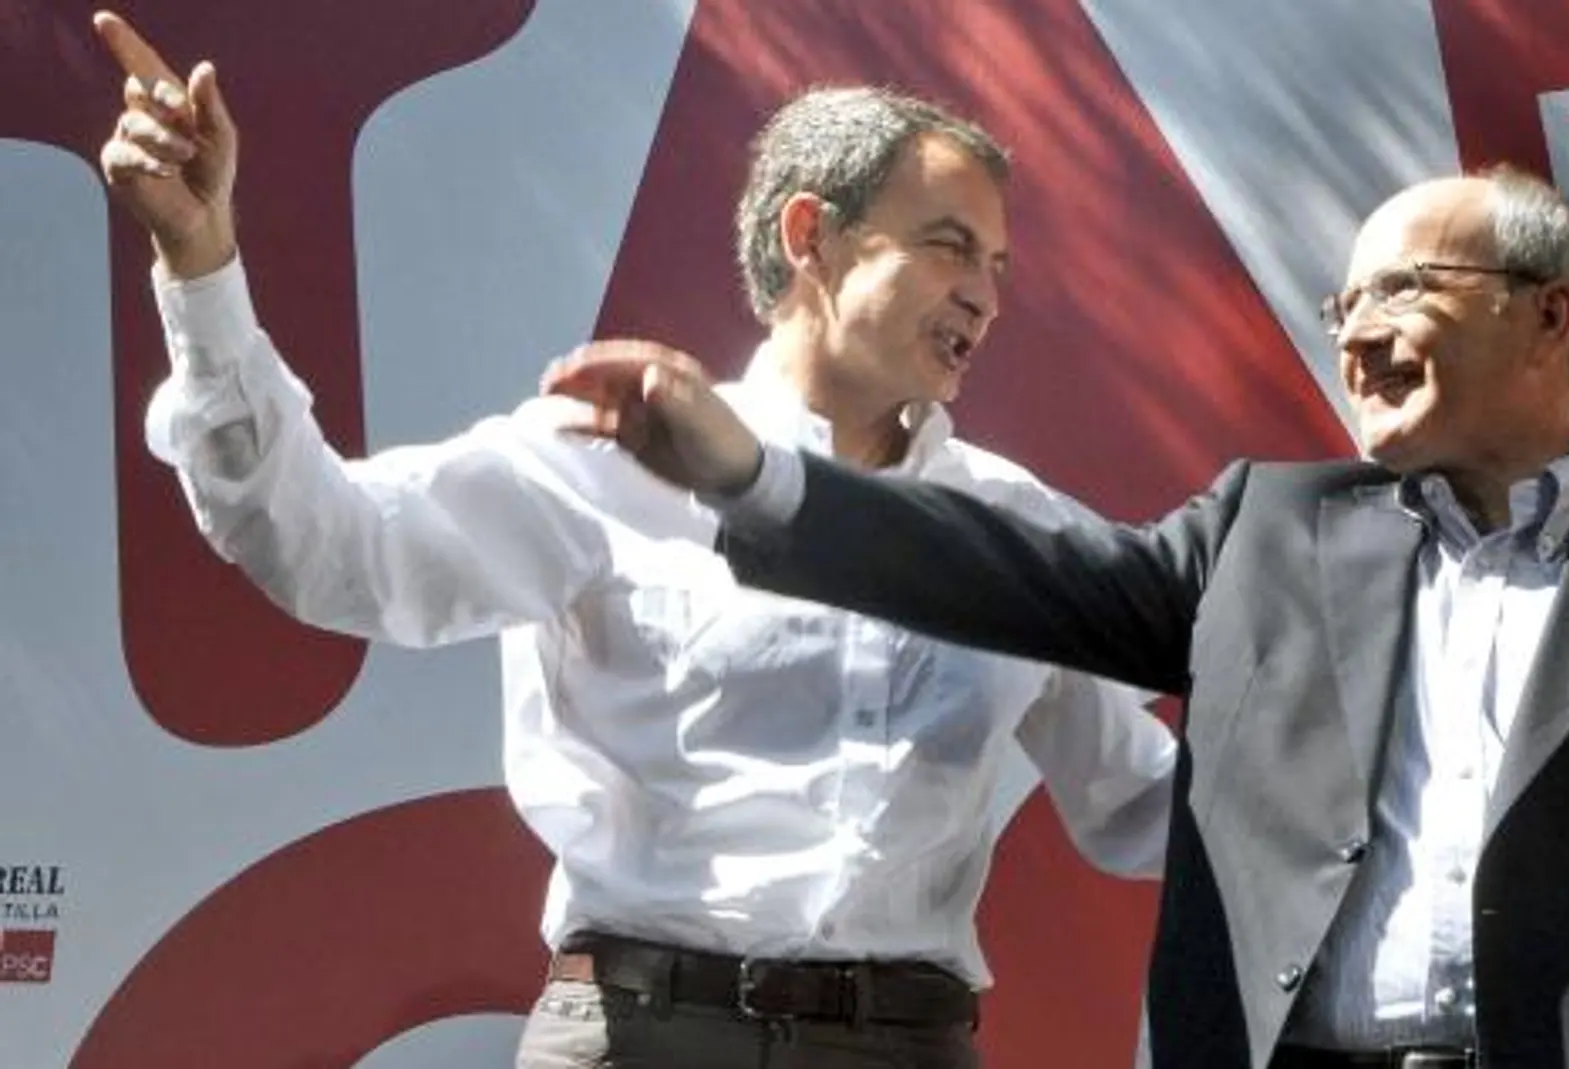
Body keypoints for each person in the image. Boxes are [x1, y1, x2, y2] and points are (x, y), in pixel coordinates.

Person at [538, 166, 1569, 1068]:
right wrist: (752, 477)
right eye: (1343, 309)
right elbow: (1014, 573)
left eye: (1399, 294)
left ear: (1546, 312)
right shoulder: (1268, 529)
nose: (1357, 337)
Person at [94, 12, 1179, 1069]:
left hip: (905, 1042)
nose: (985, 297)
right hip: (638, 1031)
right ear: (814, 237)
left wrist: (1340, 762)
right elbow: (323, 546)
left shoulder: (1013, 525)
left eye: (996, 263)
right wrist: (202, 272)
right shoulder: (604, 459)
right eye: (950, 249)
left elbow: (1140, 803)